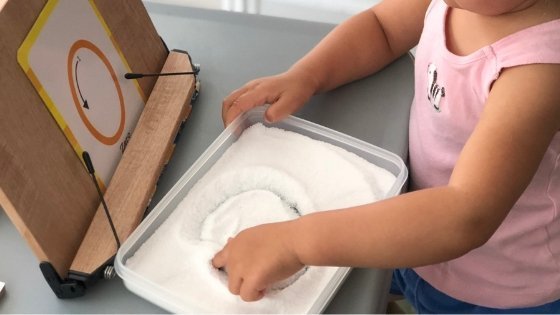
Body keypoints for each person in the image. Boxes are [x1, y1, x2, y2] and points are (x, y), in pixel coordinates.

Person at [212, 0, 560, 312]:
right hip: (410, 227)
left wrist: (295, 242)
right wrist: (307, 75)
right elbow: (382, 27)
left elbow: (465, 214)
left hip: (496, 283)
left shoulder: (537, 71)